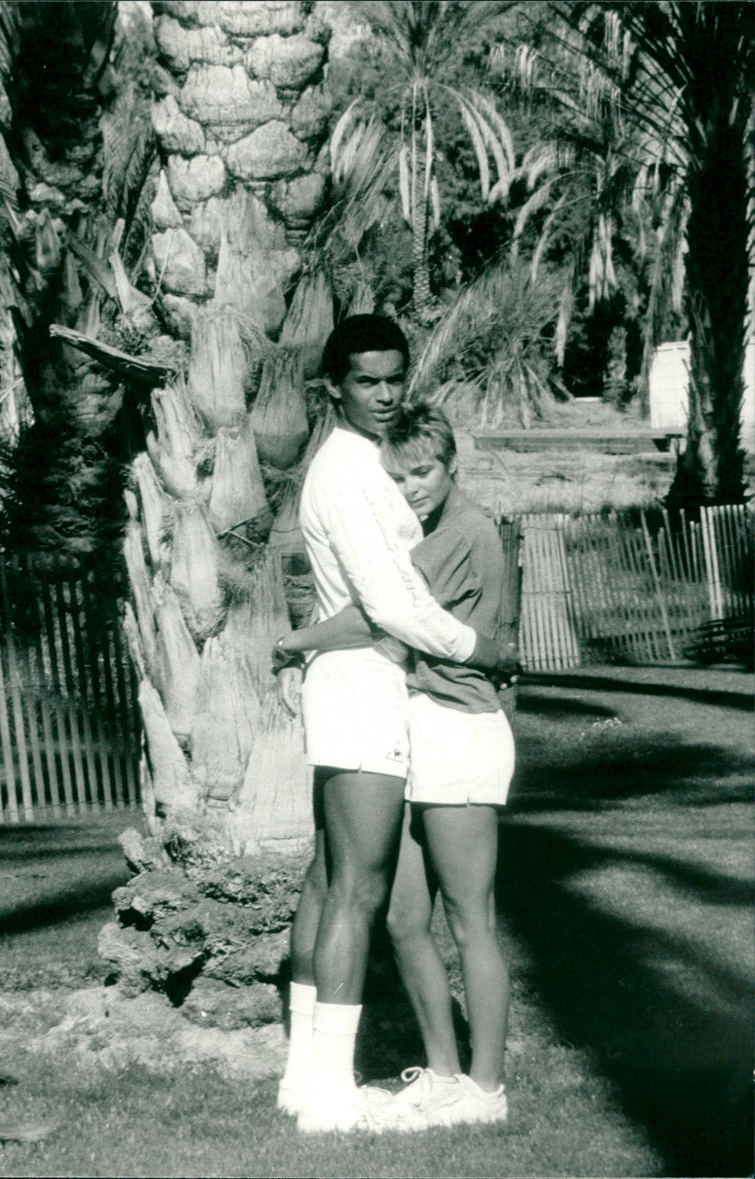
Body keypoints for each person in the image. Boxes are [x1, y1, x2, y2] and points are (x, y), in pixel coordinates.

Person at [272, 316, 516, 1134]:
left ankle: (306, 1079)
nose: (384, 395)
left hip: (370, 684)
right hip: (367, 688)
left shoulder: (366, 464)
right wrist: (475, 646)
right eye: (367, 381)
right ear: (334, 385)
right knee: (357, 890)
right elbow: (387, 605)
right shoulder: (345, 472)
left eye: (394, 379)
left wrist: (301, 644)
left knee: (327, 881)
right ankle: (332, 1095)